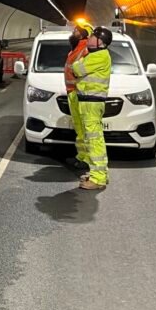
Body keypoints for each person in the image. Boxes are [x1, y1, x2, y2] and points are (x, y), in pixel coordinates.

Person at [70, 25, 113, 190]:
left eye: (93, 37)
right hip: (88, 102)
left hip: (92, 102)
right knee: (91, 138)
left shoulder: (100, 56)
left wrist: (79, 62)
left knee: (94, 140)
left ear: (100, 42)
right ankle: (98, 173)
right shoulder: (96, 55)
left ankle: (98, 178)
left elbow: (76, 69)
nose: (89, 39)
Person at [64, 22, 93, 173]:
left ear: (82, 35)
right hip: (73, 92)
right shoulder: (76, 49)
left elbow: (83, 70)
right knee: (80, 129)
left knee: (85, 128)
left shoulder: (86, 49)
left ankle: (87, 159)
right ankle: (81, 156)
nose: (73, 33)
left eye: (76, 31)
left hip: (80, 92)